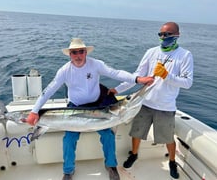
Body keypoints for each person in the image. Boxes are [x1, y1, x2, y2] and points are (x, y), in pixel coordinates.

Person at [24, 38, 153, 180]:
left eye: (81, 52)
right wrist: (34, 111)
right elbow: (48, 91)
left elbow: (116, 73)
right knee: (69, 139)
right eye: (74, 52)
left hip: (97, 107)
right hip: (75, 108)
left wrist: (138, 80)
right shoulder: (64, 71)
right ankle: (68, 171)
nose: (78, 55)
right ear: (69, 54)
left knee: (108, 135)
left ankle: (111, 165)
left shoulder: (95, 64)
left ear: (86, 53)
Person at [109, 22, 193, 179]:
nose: (163, 37)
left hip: (166, 105)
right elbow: (138, 76)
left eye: (167, 34)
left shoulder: (185, 55)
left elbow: (187, 83)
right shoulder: (151, 52)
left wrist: (166, 75)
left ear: (177, 35)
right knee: (137, 132)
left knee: (168, 137)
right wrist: (117, 89)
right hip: (145, 102)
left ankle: (172, 162)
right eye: (160, 34)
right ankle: (134, 155)